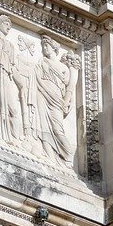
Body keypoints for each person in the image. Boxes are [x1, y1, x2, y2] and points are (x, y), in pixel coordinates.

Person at [34, 35, 80, 166]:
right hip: (42, 95)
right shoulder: (42, 62)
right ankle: (49, 154)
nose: (44, 48)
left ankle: (69, 154)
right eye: (43, 46)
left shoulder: (63, 67)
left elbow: (69, 85)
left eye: (47, 46)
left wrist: (67, 100)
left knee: (57, 128)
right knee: (43, 125)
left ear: (54, 48)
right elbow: (36, 77)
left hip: (56, 98)